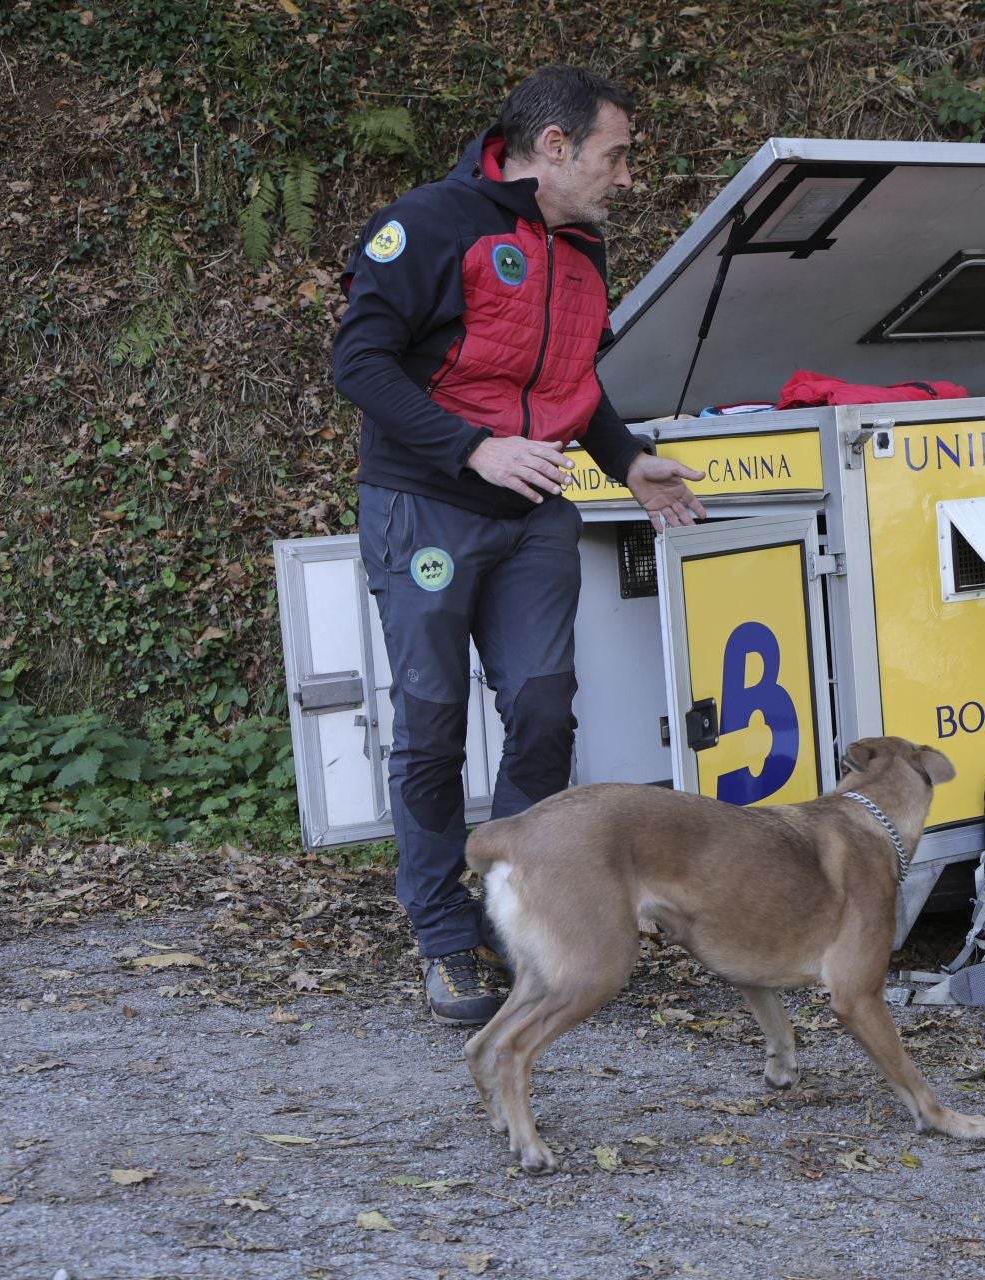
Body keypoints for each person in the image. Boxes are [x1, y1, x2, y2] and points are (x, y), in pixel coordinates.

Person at [332, 65, 707, 1025]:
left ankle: (524, 918)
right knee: (431, 720)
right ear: (554, 147)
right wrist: (473, 448)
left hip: (536, 508)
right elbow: (360, 364)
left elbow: (571, 380)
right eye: (615, 156)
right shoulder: (429, 223)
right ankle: (443, 934)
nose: (627, 178)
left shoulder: (581, 248)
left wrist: (625, 461)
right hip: (425, 506)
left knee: (543, 711)